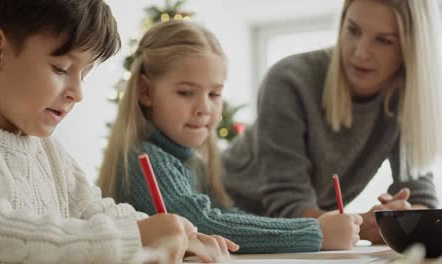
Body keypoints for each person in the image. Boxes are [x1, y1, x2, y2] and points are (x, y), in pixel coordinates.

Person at [0, 1, 236, 263]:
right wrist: (134, 237)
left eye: (84, 75)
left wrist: (179, 234)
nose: (77, 93)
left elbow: (93, 210)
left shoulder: (50, 152)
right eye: (61, 69)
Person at [97, 19, 362, 254]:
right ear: (146, 91)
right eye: (186, 92)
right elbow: (205, 222)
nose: (204, 108)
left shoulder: (193, 163)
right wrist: (315, 231)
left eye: (214, 94)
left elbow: (225, 214)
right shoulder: (145, 160)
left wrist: (313, 227)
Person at [222, 0, 442, 244]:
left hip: (294, 237)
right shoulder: (289, 79)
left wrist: (406, 217)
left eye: (384, 40)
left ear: (411, 47)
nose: (360, 52)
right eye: (353, 30)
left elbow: (420, 191)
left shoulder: (405, 99)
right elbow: (287, 206)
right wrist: (366, 227)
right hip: (226, 214)